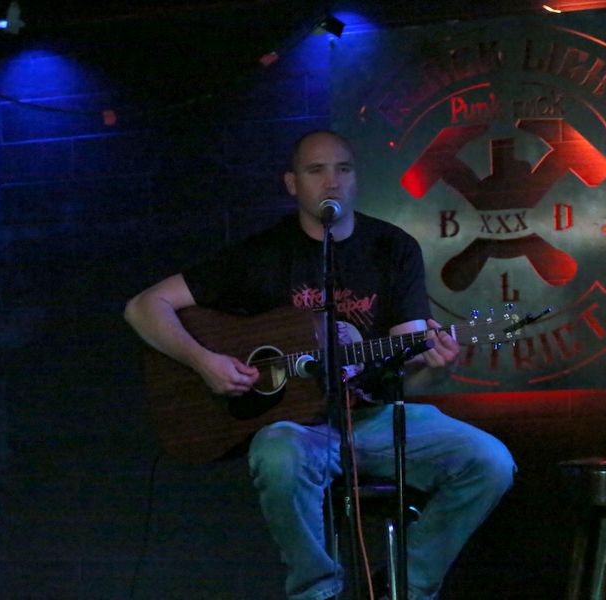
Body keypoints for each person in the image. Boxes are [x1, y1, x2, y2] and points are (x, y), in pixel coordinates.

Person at [124, 130, 515, 600]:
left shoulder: (392, 248)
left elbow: (411, 365)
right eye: (316, 170)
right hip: (299, 429)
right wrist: (205, 362)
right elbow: (143, 307)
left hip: (374, 419)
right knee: (276, 453)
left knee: (490, 462)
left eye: (343, 169)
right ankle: (317, 591)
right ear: (292, 183)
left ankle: (406, 585)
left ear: (356, 179)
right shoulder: (263, 253)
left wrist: (438, 364)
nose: (332, 181)